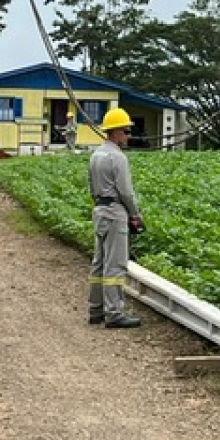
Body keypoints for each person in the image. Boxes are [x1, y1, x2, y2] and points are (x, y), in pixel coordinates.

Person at [87, 107, 144, 328]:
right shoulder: (117, 157)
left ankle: (96, 309)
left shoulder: (96, 154)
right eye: (127, 131)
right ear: (117, 131)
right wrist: (134, 214)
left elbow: (91, 187)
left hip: (99, 210)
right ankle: (114, 312)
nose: (129, 135)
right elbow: (126, 192)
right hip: (115, 211)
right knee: (115, 264)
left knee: (99, 262)